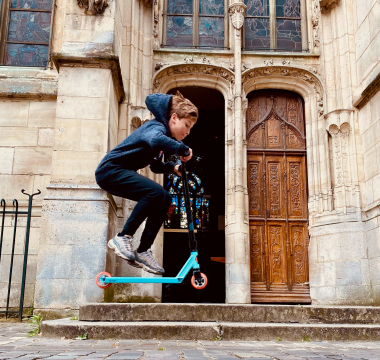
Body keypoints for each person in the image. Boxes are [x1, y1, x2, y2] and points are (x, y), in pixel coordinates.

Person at [95, 92, 198, 275]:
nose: (188, 132)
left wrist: (172, 168)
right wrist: (181, 148)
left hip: (118, 173)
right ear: (174, 118)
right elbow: (156, 140)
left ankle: (143, 250)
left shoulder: (160, 138)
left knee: (164, 197)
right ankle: (123, 237)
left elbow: (155, 166)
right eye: (187, 125)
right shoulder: (156, 127)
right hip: (110, 170)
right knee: (156, 193)